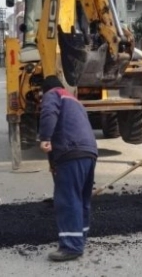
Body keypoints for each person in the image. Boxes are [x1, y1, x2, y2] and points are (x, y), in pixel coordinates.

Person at [38, 75, 98, 262]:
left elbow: (49, 113)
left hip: (71, 151)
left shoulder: (52, 95)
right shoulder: (74, 101)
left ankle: (71, 247)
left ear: (45, 90)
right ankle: (79, 238)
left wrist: (45, 137)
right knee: (81, 198)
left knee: (68, 199)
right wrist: (53, 164)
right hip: (89, 152)